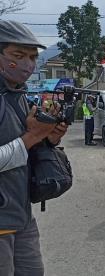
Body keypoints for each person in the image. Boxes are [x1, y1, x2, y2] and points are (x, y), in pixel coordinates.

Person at [0, 20, 68, 276]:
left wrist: (48, 139)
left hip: (21, 215)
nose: (28, 64)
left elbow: (23, 150)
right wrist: (32, 137)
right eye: (18, 56)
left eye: (32, 57)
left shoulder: (18, 96)